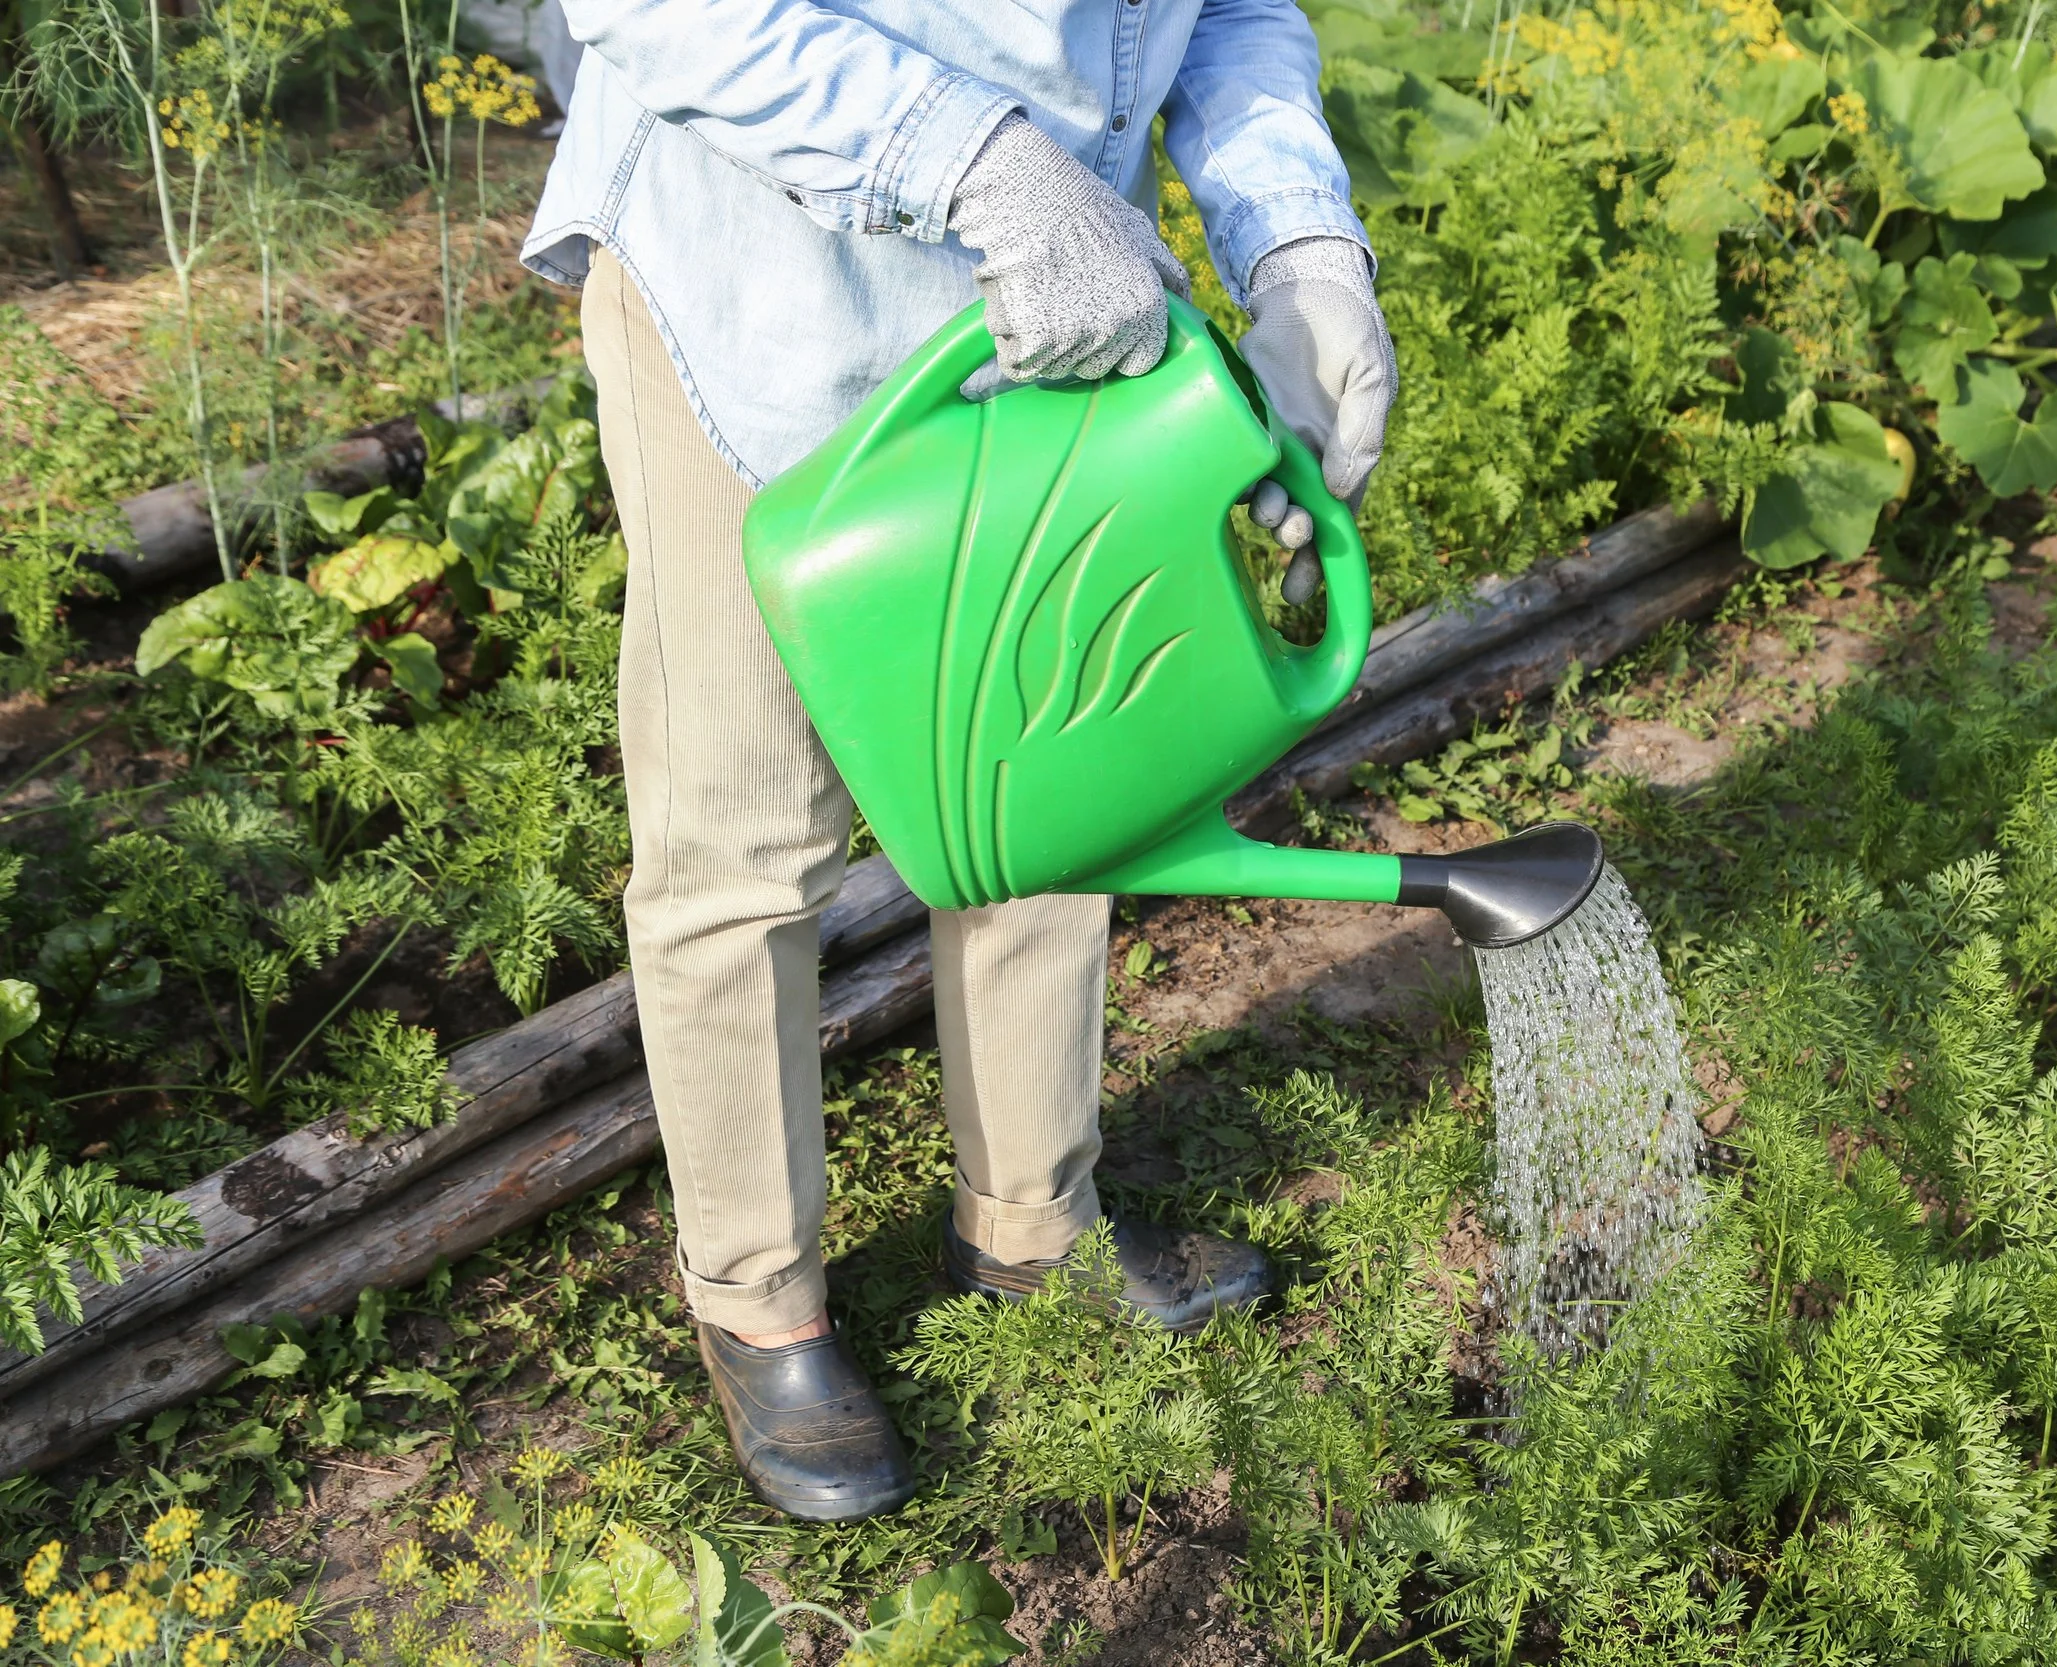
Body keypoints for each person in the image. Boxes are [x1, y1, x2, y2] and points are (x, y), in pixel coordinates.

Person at [520, 0, 1399, 1521]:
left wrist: (1300, 247)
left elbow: (1238, 11)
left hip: (1060, 287)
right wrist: (986, 167)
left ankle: (1031, 1222)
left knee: (1045, 749)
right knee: (739, 831)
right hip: (766, 273)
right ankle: (756, 1298)